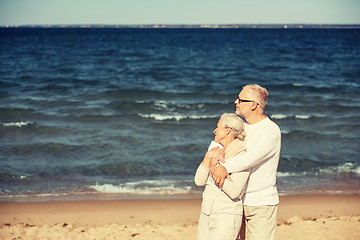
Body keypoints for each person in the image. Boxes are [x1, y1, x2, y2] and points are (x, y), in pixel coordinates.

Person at [212, 84, 281, 240]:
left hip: (261, 203)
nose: (236, 101)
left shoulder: (271, 130)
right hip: (236, 201)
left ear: (253, 105)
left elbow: (250, 158)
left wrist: (224, 167)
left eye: (240, 99)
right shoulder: (242, 128)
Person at [195, 113, 250, 240]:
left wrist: (214, 170)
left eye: (218, 127)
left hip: (226, 216)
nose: (214, 130)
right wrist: (208, 157)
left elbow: (234, 191)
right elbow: (199, 181)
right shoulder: (215, 150)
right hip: (206, 212)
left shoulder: (241, 156)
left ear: (227, 130)